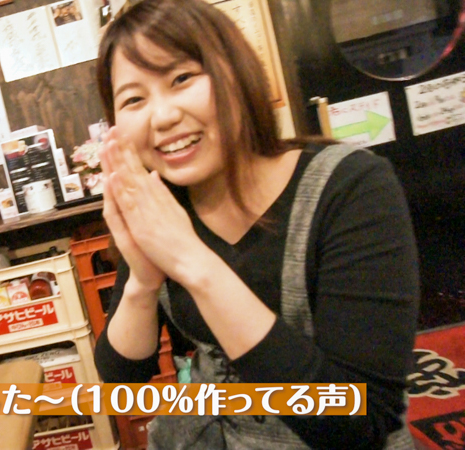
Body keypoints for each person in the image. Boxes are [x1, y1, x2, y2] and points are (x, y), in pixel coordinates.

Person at [92, 0, 420, 448]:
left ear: (236, 73)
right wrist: (142, 283)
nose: (163, 117)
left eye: (182, 79)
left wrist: (193, 263)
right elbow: (122, 379)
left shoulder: (351, 187)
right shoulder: (159, 202)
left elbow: (359, 425)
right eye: (134, 99)